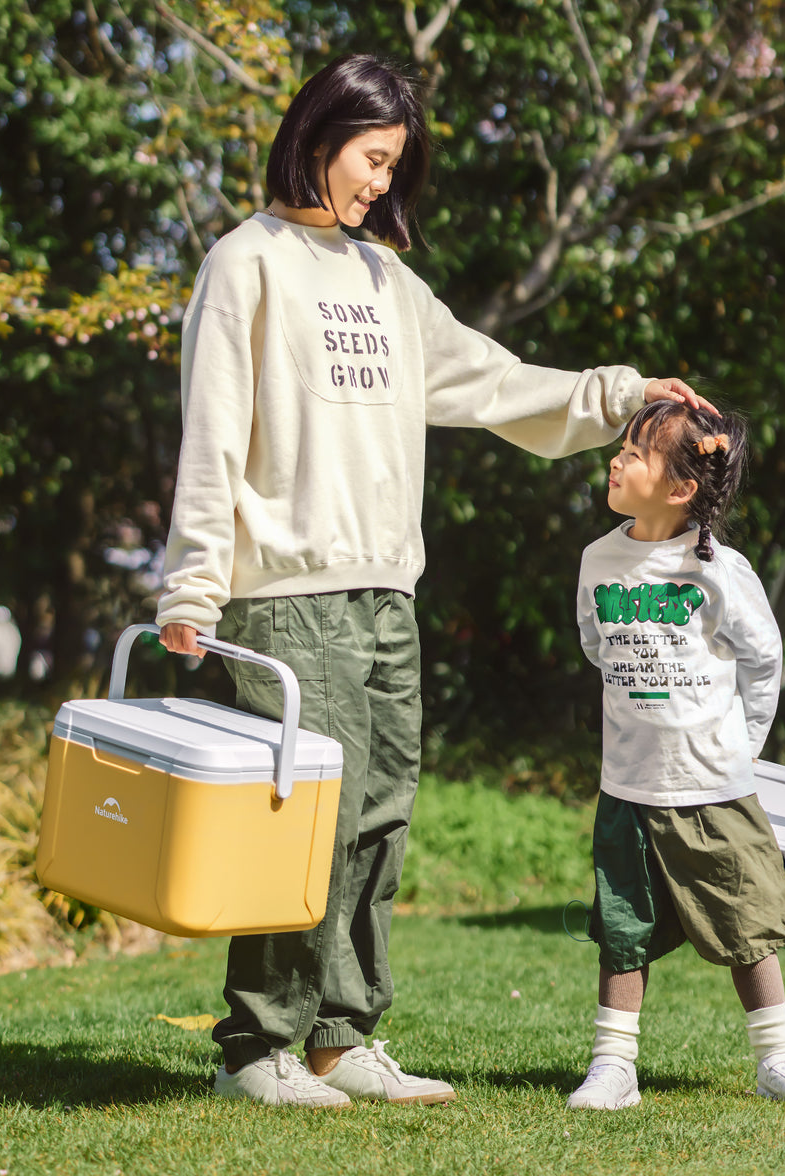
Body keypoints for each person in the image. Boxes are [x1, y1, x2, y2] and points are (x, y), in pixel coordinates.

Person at [155, 52, 711, 1109]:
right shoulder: (246, 263)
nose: (378, 184)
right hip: (286, 595)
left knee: (377, 817)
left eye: (392, 166)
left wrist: (623, 393)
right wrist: (190, 589)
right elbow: (212, 437)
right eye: (372, 159)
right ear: (318, 136)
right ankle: (256, 1047)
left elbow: (497, 384)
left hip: (387, 593)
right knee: (299, 821)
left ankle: (339, 1033)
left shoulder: (385, 282)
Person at [569, 399, 785, 1110]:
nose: (617, 458)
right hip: (628, 785)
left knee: (749, 922)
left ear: (682, 488)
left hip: (715, 786)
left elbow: (763, 658)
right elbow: (597, 647)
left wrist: (740, 749)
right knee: (623, 928)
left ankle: (777, 1059)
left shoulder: (718, 568)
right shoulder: (599, 560)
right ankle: (612, 1065)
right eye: (620, 447)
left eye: (635, 452)